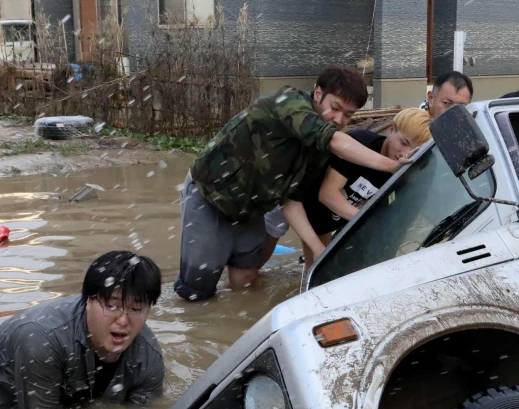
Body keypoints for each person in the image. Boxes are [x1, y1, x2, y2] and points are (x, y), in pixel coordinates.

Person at [174, 66, 411, 301]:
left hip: (253, 207)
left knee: (245, 281)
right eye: (336, 108)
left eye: (348, 115)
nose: (339, 119)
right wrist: (390, 165)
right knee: (196, 293)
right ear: (318, 93)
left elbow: (293, 201)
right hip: (209, 195)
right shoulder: (288, 102)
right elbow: (331, 139)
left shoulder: (318, 151)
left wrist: (317, 250)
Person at [0, 251, 164, 409]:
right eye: (111, 306)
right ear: (88, 301)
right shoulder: (42, 338)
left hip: (68, 386)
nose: (123, 320)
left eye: (136, 309)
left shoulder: (148, 356)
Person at [266, 108, 433, 259]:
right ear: (390, 130)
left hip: (323, 220)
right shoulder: (360, 144)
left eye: (414, 149)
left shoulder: (409, 169)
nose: (405, 154)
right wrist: (369, 221)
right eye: (403, 143)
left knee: (317, 276)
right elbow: (327, 194)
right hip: (292, 199)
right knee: (252, 265)